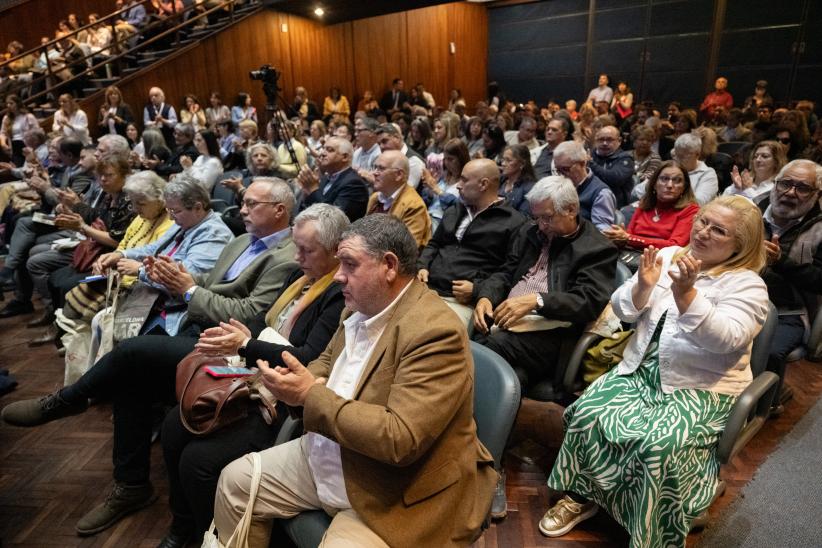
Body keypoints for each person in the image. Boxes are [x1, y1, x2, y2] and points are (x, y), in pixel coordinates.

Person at [1, 178, 299, 536]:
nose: (241, 210)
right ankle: (131, 486)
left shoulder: (286, 256)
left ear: (280, 210)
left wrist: (186, 289)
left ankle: (69, 400)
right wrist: (182, 278)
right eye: (244, 202)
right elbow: (208, 280)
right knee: (133, 376)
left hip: (228, 345)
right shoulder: (240, 241)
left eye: (251, 204)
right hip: (197, 327)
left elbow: (249, 313)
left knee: (133, 352)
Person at [212, 213, 497, 547]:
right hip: (338, 453)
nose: (338, 277)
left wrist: (307, 395)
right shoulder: (359, 307)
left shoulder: (435, 331)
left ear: (389, 265)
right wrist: (295, 383)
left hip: (398, 487)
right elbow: (325, 364)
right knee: (235, 483)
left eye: (349, 264)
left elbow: (399, 438)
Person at [539, 195, 770, 546]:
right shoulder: (666, 256)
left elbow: (728, 339)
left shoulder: (746, 284)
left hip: (701, 386)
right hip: (642, 369)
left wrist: (688, 294)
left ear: (740, 245)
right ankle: (584, 496)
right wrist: (643, 287)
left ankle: (652, 529)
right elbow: (622, 310)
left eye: (718, 230)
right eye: (703, 221)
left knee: (658, 445)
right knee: (586, 414)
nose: (703, 232)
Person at [157, 203, 349, 547]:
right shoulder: (297, 275)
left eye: (307, 250)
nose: (298, 256)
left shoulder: (339, 293)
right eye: (296, 246)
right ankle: (182, 526)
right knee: (174, 427)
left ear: (336, 252)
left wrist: (246, 344)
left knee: (198, 462)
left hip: (282, 397)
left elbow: (306, 358)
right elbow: (268, 323)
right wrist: (240, 336)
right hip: (252, 374)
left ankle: (214, 538)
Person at [473, 175, 617, 393]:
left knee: (482, 351)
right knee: (511, 375)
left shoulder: (597, 248)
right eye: (536, 217)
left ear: (570, 210)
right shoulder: (530, 231)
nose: (541, 225)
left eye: (547, 218)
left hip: (552, 332)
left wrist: (537, 301)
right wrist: (486, 296)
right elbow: (506, 272)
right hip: (508, 320)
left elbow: (588, 301)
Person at [418, 158, 526, 328]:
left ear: (483, 184)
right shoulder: (455, 209)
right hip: (426, 289)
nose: (458, 185)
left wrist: (478, 290)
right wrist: (422, 265)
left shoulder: (514, 222)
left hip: (460, 302)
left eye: (464, 179)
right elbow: (434, 244)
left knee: (426, 332)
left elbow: (507, 272)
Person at [759, 159, 822, 408]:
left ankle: (765, 405)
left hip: (791, 312)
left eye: (802, 188)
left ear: (817, 194)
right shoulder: (752, 208)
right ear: (776, 183)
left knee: (768, 350)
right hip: (738, 296)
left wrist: (781, 261)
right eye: (785, 184)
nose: (790, 193)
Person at [604, 161, 700, 261]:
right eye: (664, 179)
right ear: (654, 184)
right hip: (631, 256)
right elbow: (629, 235)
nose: (670, 185)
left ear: (684, 187)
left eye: (677, 180)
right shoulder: (645, 204)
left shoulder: (690, 210)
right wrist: (620, 238)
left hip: (662, 261)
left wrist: (630, 238)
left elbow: (674, 246)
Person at [368, 150, 431, 248]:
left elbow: (407, 250)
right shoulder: (375, 198)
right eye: (375, 167)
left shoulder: (413, 206)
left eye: (381, 168)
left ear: (399, 175)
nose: (374, 173)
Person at [296, 136, 369, 222]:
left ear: (345, 157)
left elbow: (333, 221)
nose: (322, 153)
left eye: (329, 150)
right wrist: (306, 194)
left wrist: (313, 190)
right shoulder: (325, 178)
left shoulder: (354, 184)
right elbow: (305, 210)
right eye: (323, 149)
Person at [635, 133, 718, 205]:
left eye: (683, 157)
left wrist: (666, 196)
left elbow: (699, 202)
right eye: (676, 155)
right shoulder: (669, 168)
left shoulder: (707, 174)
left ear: (697, 154)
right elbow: (638, 190)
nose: (678, 160)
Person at [553, 140, 617, 231]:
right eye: (558, 170)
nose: (561, 175)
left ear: (582, 163)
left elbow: (602, 233)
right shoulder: (558, 185)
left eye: (565, 169)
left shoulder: (601, 194)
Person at [589, 125, 635, 207]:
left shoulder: (625, 158)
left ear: (619, 141)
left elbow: (615, 178)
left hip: (614, 205)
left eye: (609, 140)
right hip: (589, 200)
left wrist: (591, 164)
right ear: (596, 141)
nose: (604, 143)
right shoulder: (590, 155)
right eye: (601, 139)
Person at [374, 122, 424, 188]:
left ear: (397, 137)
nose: (381, 147)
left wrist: (375, 181)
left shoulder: (414, 160)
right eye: (379, 144)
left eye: (384, 141)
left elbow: (404, 191)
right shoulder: (382, 158)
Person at [0, 95, 39, 166]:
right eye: (7, 104)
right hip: (15, 147)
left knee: (30, 168)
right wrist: (3, 144)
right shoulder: (6, 118)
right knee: (18, 168)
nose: (8, 105)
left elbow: (38, 132)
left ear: (17, 103)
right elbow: (2, 133)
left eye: (11, 103)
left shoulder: (28, 116)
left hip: (27, 145)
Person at [499, 144, 537, 216]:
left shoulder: (530, 188)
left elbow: (523, 217)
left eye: (508, 160)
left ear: (522, 164)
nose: (503, 164)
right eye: (503, 159)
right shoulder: (500, 180)